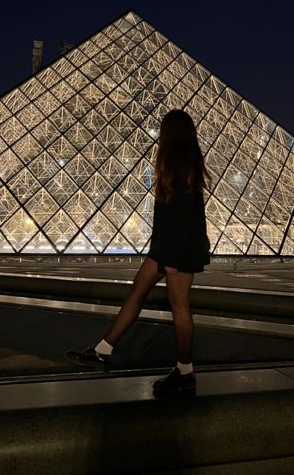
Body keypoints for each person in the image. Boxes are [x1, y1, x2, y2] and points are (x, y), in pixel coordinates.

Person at [66, 109, 210, 397]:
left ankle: (185, 371)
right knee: (137, 290)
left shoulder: (181, 166)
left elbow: (181, 219)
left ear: (171, 134)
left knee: (179, 306)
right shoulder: (180, 163)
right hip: (165, 247)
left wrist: (170, 261)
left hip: (177, 251)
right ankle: (103, 349)